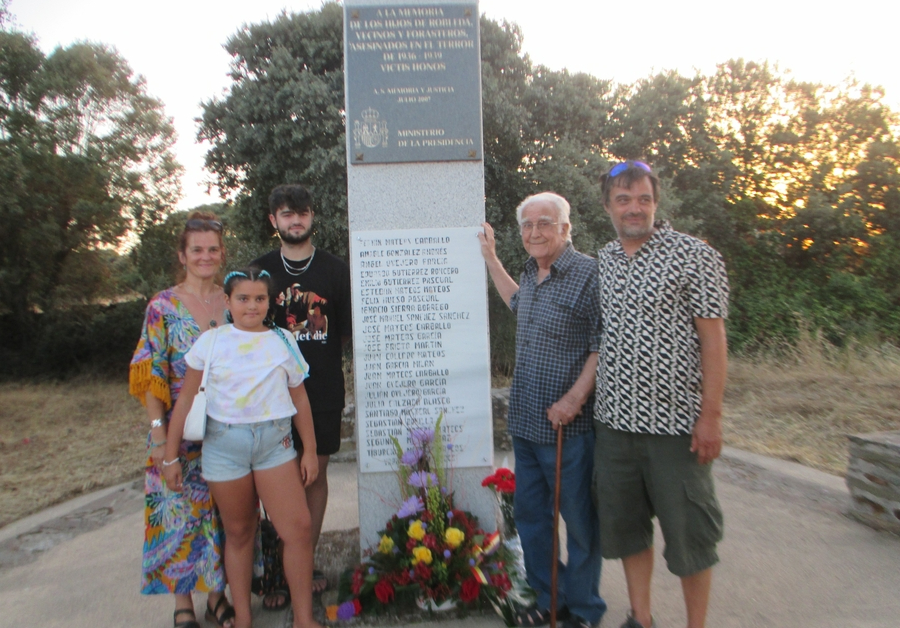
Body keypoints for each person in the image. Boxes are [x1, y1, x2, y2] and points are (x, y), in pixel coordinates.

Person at [592, 161, 729, 628]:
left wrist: (711, 415)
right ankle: (642, 618)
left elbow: (713, 340)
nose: (635, 208)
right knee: (628, 532)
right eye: (624, 199)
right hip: (614, 426)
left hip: (677, 430)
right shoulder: (606, 259)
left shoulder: (694, 256)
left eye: (644, 199)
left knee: (692, 537)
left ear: (656, 203)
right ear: (608, 206)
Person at [161, 268, 323, 628]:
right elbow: (185, 399)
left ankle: (304, 619)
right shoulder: (212, 341)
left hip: (274, 446)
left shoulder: (283, 340)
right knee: (239, 533)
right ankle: (244, 619)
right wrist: (170, 456)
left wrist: (309, 450)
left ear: (269, 302)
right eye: (243, 298)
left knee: (297, 529)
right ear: (228, 301)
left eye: (259, 298)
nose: (252, 306)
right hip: (224, 447)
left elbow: (300, 397)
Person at [478, 192, 607, 628]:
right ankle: (551, 600)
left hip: (569, 427)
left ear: (565, 228)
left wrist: (575, 398)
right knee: (532, 519)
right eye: (527, 225)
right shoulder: (530, 272)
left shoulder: (589, 274)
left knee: (580, 522)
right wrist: (491, 258)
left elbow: (602, 344)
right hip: (527, 421)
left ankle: (585, 610)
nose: (534, 232)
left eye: (544, 223)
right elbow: (516, 302)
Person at [129, 212, 235, 628]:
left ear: (222, 253)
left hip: (228, 431)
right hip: (179, 434)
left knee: (225, 516)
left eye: (213, 249)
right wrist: (160, 437)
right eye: (197, 250)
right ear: (182, 255)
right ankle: (183, 604)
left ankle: (218, 597)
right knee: (178, 517)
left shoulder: (233, 301)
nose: (205, 256)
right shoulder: (162, 306)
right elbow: (150, 371)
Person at [251, 184, 352, 602]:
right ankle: (277, 571)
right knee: (278, 482)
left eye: (303, 212)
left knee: (315, 476)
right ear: (273, 220)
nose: (296, 220)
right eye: (287, 214)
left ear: (312, 217)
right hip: (271, 396)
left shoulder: (335, 270)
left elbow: (343, 332)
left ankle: (303, 564)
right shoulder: (259, 270)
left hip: (323, 390)